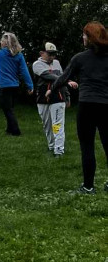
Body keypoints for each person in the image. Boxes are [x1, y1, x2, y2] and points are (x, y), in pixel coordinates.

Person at [49, 22, 108, 193]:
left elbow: (63, 78)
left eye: (84, 35)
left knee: (87, 146)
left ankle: (88, 187)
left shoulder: (80, 58)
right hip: (106, 105)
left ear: (90, 38)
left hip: (87, 105)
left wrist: (51, 90)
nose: (82, 38)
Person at [0, 32, 33, 135]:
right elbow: (24, 71)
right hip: (15, 85)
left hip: (4, 85)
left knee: (7, 110)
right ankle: (9, 130)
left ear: (5, 43)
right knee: (10, 108)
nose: (0, 42)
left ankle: (16, 131)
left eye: (2, 41)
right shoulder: (18, 55)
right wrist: (30, 85)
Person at [32, 42, 66, 157]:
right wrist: (66, 80)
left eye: (54, 54)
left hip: (58, 97)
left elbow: (61, 80)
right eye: (50, 54)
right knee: (47, 124)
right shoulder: (37, 64)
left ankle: (59, 150)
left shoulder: (57, 63)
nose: (52, 57)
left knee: (57, 124)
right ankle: (51, 146)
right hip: (42, 98)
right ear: (42, 53)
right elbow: (49, 76)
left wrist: (67, 96)